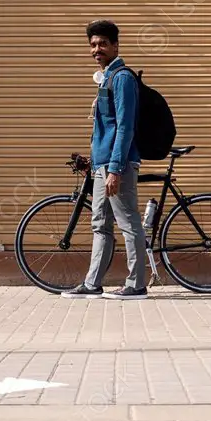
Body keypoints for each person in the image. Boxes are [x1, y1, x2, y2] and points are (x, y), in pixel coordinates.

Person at [62, 19, 148, 300]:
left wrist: (115, 168)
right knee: (100, 223)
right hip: (102, 165)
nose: (96, 49)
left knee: (128, 222)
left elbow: (125, 127)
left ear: (115, 46)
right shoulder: (107, 77)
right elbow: (105, 127)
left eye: (102, 44)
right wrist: (95, 160)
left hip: (116, 166)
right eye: (93, 45)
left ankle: (136, 285)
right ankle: (92, 283)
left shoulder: (122, 78)